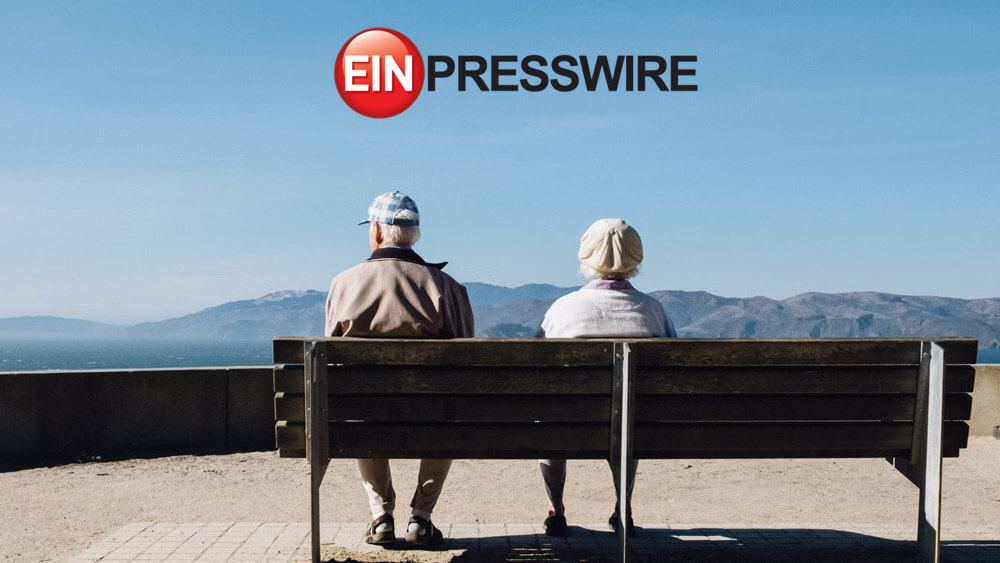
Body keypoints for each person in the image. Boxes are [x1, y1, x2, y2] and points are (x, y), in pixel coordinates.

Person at [325, 190, 475, 546]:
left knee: (359, 409)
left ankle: (381, 516)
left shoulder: (344, 283)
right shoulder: (446, 287)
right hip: (431, 415)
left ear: (377, 231)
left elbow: (330, 360)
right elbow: (467, 359)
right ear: (413, 235)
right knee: (448, 412)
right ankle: (421, 517)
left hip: (366, 414)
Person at [536, 218, 676, 537]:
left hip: (569, 423)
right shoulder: (653, 311)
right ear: (636, 257)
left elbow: (537, 370)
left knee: (550, 419)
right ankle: (623, 507)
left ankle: (556, 509)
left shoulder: (563, 309)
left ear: (586, 257)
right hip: (636, 425)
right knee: (626, 417)